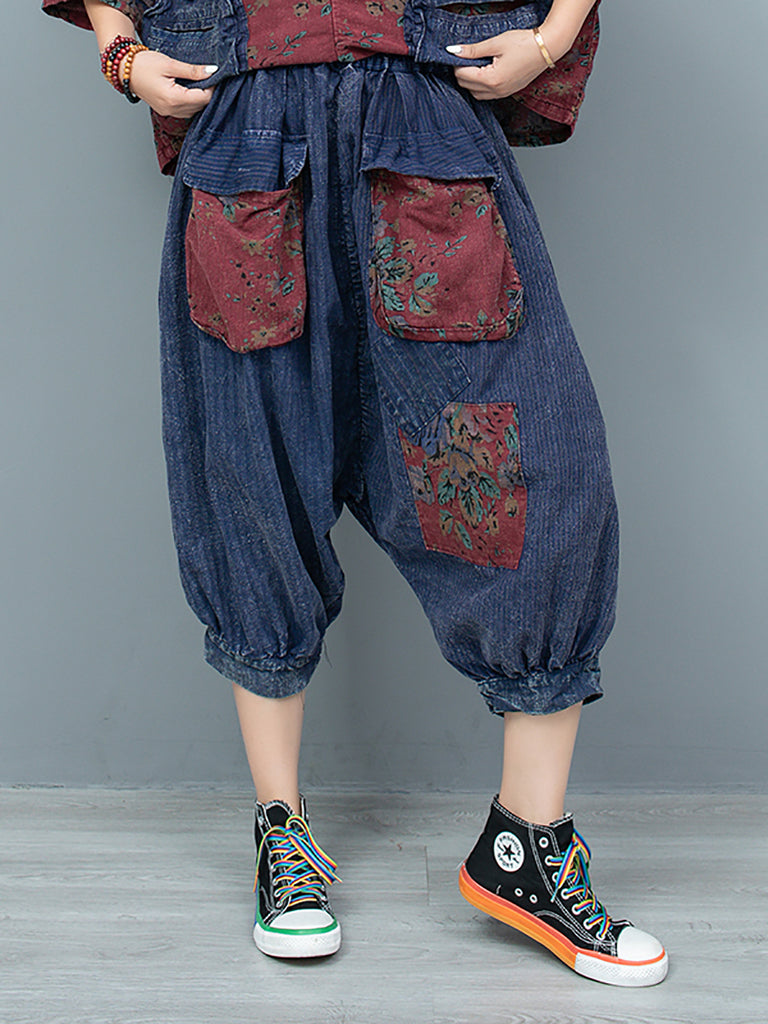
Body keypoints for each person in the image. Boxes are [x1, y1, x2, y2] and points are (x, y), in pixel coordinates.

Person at [43, 0, 668, 986]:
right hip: (249, 145)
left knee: (533, 479)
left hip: (423, 135)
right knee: (256, 477)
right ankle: (281, 834)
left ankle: (527, 843)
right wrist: (122, 53)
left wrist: (548, 43)